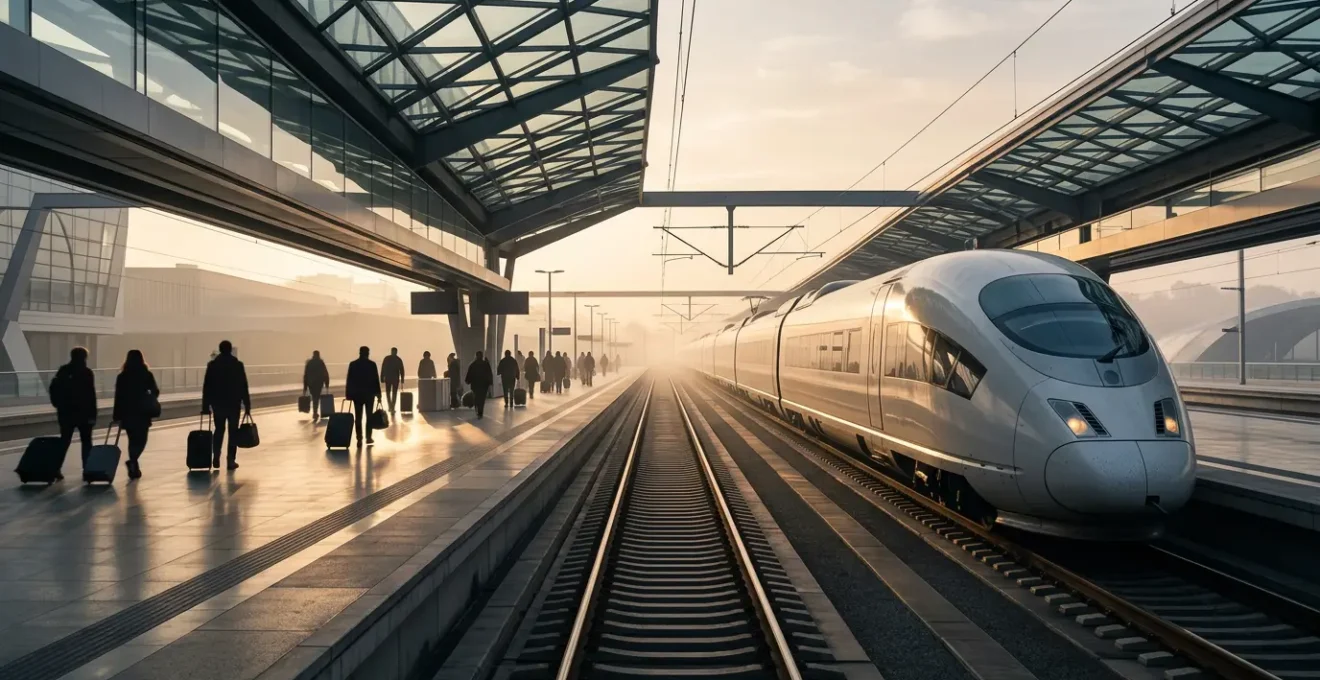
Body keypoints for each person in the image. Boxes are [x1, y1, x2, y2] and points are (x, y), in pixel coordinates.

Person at [202, 340, 251, 470]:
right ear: (230, 350)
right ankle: (230, 460)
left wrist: (205, 406)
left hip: (218, 403)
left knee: (219, 430)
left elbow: (207, 386)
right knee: (233, 432)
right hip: (233, 403)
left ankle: (216, 456)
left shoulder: (212, 365)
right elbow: (243, 385)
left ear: (220, 349)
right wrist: (247, 404)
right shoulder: (237, 365)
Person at [50, 346, 97, 479]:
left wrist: (58, 405)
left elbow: (55, 388)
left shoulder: (63, 370)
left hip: (66, 413)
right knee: (87, 442)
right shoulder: (87, 372)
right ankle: (87, 469)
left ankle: (56, 468)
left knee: (64, 441)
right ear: (85, 357)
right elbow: (90, 395)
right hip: (84, 413)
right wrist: (93, 415)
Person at [112, 350, 158, 480]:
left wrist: (117, 415)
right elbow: (155, 391)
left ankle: (133, 463)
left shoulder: (122, 376)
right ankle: (133, 461)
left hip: (127, 412)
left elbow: (118, 396)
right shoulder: (146, 374)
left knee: (132, 439)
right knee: (142, 439)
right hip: (143, 412)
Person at [345, 346, 382, 447]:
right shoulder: (372, 365)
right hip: (369, 395)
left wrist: (348, 394)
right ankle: (368, 437)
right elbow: (376, 380)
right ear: (367, 353)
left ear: (360, 353)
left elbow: (349, 380)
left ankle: (359, 438)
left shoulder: (353, 364)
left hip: (357, 395)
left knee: (358, 417)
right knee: (369, 416)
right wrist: (378, 394)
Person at [465, 351, 494, 419]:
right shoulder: (486, 364)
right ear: (482, 356)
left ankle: (477, 409)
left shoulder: (473, 364)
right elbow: (489, 373)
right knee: (482, 398)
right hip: (484, 385)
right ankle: (480, 412)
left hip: (475, 384)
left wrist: (467, 381)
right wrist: (490, 382)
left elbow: (469, 374)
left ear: (476, 356)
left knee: (476, 397)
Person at [303, 350, 330, 419]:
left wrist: (305, 386)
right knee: (316, 397)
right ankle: (315, 412)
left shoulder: (309, 363)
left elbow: (306, 374)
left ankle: (315, 412)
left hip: (311, 383)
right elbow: (325, 373)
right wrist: (327, 383)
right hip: (319, 383)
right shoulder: (321, 362)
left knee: (314, 397)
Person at [381, 347, 405, 413]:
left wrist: (382, 377)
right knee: (394, 393)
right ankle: (392, 407)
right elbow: (402, 370)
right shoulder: (398, 359)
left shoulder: (387, 358)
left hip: (388, 378)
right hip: (395, 379)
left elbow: (383, 368)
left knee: (388, 393)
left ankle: (390, 406)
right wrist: (402, 379)